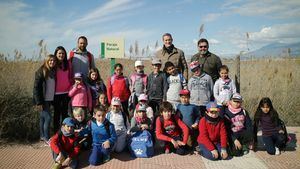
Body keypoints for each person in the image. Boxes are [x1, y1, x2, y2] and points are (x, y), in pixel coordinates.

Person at [33, 54, 57, 144]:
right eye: (50, 60)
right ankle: (47, 138)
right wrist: (39, 102)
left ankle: (42, 136)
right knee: (48, 118)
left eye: (54, 61)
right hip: (43, 99)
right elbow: (36, 88)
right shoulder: (41, 71)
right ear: (46, 61)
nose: (52, 62)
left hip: (50, 98)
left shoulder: (52, 71)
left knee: (42, 118)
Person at [53, 46, 72, 133]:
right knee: (57, 114)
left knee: (65, 114)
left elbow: (70, 76)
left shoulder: (68, 63)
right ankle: (56, 133)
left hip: (66, 92)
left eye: (63, 53)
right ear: (56, 54)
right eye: (59, 53)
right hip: (56, 93)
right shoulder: (53, 63)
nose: (61, 55)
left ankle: (64, 132)